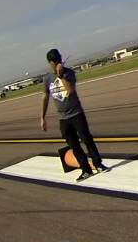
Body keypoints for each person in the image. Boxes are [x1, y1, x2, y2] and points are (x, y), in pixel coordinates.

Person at [40, 48, 108, 181]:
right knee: (74, 145)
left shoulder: (69, 73)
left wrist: (61, 76)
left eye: (58, 59)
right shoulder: (47, 79)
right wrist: (42, 117)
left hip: (76, 114)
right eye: (54, 61)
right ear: (50, 63)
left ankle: (98, 163)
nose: (57, 62)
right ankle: (86, 169)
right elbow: (45, 96)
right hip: (63, 118)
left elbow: (70, 90)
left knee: (87, 139)